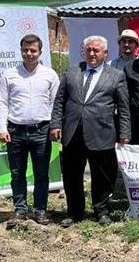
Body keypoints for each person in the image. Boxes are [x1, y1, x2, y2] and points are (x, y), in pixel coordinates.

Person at [51, 35, 131, 227]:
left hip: (101, 132)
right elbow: (59, 101)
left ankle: (101, 211)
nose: (92, 53)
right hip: (73, 132)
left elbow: (124, 107)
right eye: (89, 50)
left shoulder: (116, 75)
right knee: (72, 175)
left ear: (105, 53)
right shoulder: (71, 71)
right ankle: (74, 212)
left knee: (102, 175)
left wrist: (125, 133)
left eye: (96, 50)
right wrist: (55, 124)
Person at [0, 34, 61, 225]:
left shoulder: (50, 75)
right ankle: (20, 209)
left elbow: (55, 103)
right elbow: (1, 102)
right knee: (17, 173)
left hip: (42, 130)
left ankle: (40, 210)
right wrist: (2, 128)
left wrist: (55, 126)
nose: (29, 54)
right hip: (15, 131)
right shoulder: (10, 74)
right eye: (25, 50)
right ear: (21, 50)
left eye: (33, 50)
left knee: (41, 173)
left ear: (40, 52)